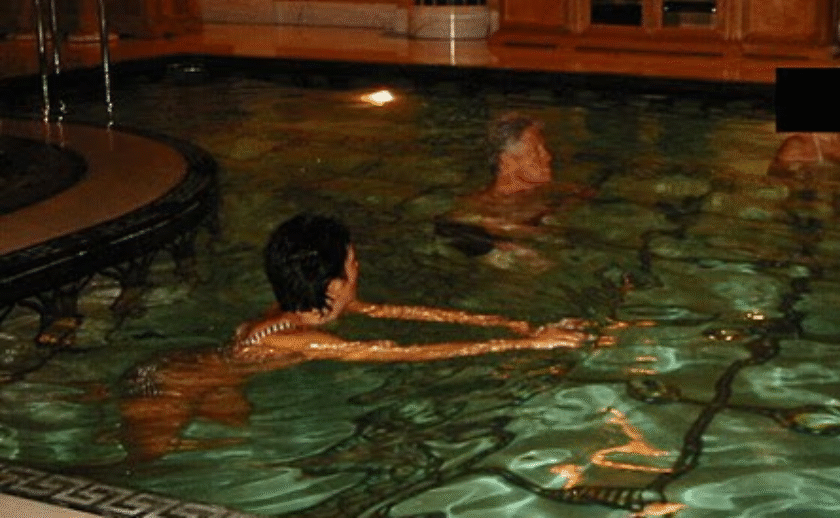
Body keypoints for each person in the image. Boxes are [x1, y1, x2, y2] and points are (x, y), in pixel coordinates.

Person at [118, 214, 586, 461]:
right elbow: (410, 354)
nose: (359, 268)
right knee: (147, 462)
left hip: (220, 375)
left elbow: (409, 314)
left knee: (238, 445)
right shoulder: (300, 338)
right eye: (353, 263)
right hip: (169, 383)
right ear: (333, 285)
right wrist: (525, 346)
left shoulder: (313, 309)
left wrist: (507, 324)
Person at [435, 114, 594, 262]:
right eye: (537, 150)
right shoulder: (478, 209)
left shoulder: (557, 191)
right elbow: (452, 226)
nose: (547, 156)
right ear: (507, 160)